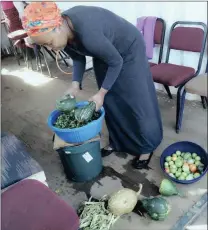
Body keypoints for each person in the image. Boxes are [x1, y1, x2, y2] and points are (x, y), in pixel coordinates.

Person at [22, 2, 163, 169]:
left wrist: (101, 93)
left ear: (57, 27)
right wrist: (75, 85)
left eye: (49, 42)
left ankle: (147, 146)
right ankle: (118, 142)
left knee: (136, 100)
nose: (50, 47)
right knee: (110, 100)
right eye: (45, 45)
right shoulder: (63, 32)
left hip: (128, 50)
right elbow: (77, 58)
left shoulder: (88, 34)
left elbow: (116, 61)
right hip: (106, 52)